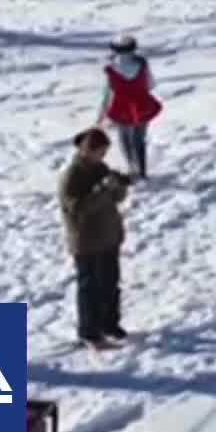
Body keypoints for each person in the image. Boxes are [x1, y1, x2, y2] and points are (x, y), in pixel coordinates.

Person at [60, 128, 133, 350]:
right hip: (86, 240)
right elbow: (77, 209)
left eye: (104, 152)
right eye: (98, 152)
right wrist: (102, 190)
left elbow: (115, 198)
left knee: (110, 284)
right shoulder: (72, 175)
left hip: (108, 236)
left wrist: (119, 186)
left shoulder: (100, 169)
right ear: (86, 151)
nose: (102, 156)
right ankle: (89, 331)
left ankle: (109, 323)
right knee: (90, 288)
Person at [100, 35, 162, 180]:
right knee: (139, 139)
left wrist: (101, 116)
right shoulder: (142, 64)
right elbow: (151, 84)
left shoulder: (111, 70)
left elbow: (107, 95)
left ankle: (131, 167)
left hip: (122, 110)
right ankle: (142, 170)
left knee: (125, 140)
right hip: (143, 106)